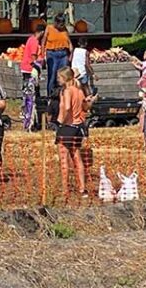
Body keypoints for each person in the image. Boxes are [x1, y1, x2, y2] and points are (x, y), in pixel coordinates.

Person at [55, 67, 91, 198]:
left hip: (67, 127)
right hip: (77, 128)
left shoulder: (67, 91)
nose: (58, 80)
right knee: (77, 157)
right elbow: (85, 108)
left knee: (64, 159)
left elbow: (67, 107)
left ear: (65, 78)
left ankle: (65, 190)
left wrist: (61, 121)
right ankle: (82, 189)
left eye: (59, 77)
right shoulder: (79, 91)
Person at [41, 13, 72, 95]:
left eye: (63, 25)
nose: (61, 26)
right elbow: (43, 42)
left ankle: (63, 95)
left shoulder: (64, 29)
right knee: (52, 75)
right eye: (60, 25)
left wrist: (71, 52)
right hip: (52, 53)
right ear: (56, 23)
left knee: (64, 75)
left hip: (63, 53)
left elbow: (68, 41)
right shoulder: (49, 28)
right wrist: (42, 55)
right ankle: (50, 96)